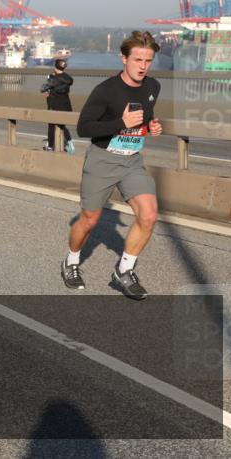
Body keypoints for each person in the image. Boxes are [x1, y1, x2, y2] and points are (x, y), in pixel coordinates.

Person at [62, 31, 163, 300]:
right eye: (138, 59)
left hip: (132, 161)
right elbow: (84, 127)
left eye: (148, 60)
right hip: (103, 160)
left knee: (149, 215)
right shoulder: (105, 91)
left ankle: (124, 270)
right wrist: (121, 123)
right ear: (124, 59)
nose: (143, 66)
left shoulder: (153, 87)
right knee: (90, 219)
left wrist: (151, 125)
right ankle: (71, 262)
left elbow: (146, 115)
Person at [41, 58, 75, 154]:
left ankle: (51, 146)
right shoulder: (67, 79)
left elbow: (44, 89)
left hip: (54, 104)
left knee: (51, 125)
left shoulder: (52, 78)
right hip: (65, 106)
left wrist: (48, 91)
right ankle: (69, 142)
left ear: (55, 66)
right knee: (61, 125)